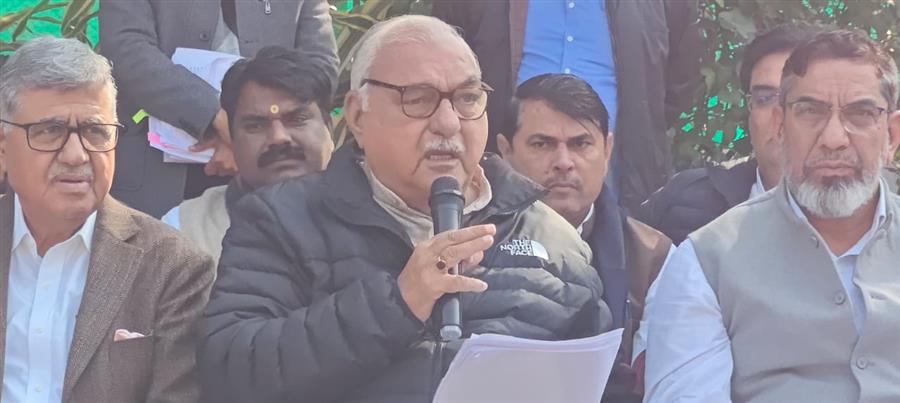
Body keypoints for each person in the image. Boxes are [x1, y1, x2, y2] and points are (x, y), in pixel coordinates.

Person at [198, 15, 609, 403]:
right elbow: (231, 368)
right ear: (357, 115)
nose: (448, 123)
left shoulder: (550, 237)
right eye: (418, 99)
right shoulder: (282, 220)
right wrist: (399, 302)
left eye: (467, 99)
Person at [644, 29, 900, 402]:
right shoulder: (705, 263)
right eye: (810, 111)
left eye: (860, 114)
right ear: (780, 127)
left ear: (892, 135)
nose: (833, 138)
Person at [0, 37, 214, 403]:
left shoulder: (173, 267)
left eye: (95, 132)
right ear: (3, 149)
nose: (75, 155)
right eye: (50, 131)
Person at [497, 73, 672, 402]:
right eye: (542, 144)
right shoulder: (470, 244)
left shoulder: (652, 257)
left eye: (580, 144)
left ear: (608, 150)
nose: (563, 163)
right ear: (506, 152)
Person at [432, 0, 701, 209]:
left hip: (618, 176)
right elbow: (444, 70)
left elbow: (677, 86)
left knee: (613, 258)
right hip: (503, 172)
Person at [100, 0, 338, 217]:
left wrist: (246, 139)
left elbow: (320, 68)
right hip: (156, 173)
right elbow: (125, 49)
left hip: (275, 172)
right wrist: (216, 118)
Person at [638, 24, 818, 244]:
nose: (779, 114)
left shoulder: (855, 215)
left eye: (799, 99)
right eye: (764, 99)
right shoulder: (684, 201)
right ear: (749, 111)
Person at [161, 46, 334, 262]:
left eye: (297, 119)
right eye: (256, 126)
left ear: (328, 127)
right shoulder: (184, 230)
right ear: (231, 139)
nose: (279, 137)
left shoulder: (369, 215)